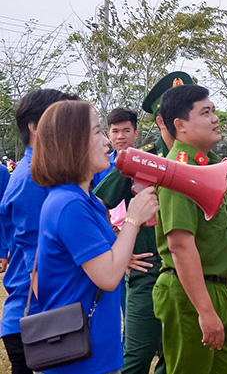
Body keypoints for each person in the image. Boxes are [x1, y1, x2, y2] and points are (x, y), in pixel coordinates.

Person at [30, 100, 160, 374]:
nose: (107, 142)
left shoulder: (83, 199)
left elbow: (104, 260)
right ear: (73, 143)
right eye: (98, 132)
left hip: (94, 352)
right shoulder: (70, 204)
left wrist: (121, 251)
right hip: (80, 362)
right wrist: (133, 218)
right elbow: (109, 277)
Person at [94, 71, 193, 374]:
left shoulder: (202, 160)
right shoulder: (141, 159)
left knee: (174, 357)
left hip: (190, 274)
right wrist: (117, 248)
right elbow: (96, 206)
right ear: (162, 120)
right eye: (177, 114)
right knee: (135, 357)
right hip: (148, 273)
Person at [152, 84, 227, 374]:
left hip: (218, 288)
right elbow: (180, 246)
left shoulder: (208, 167)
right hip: (191, 294)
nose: (215, 119)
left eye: (214, 111)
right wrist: (205, 311)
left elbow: (221, 235)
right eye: (205, 112)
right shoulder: (179, 173)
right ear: (180, 125)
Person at [0, 88, 79, 374]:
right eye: (61, 118)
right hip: (38, 319)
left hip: (47, 315)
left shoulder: (47, 171)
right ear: (35, 127)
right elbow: (38, 262)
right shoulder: (33, 177)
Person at [95, 108, 139, 185]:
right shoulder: (100, 165)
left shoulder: (146, 161)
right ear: (109, 135)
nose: (120, 136)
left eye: (126, 131)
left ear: (136, 134)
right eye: (115, 131)